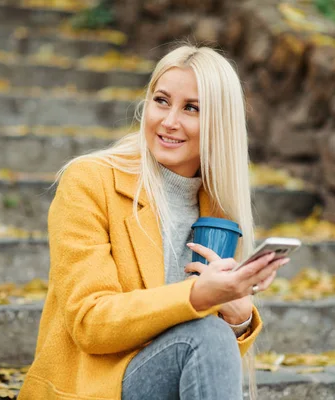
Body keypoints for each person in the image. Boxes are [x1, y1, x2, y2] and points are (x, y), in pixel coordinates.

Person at [19, 44, 288, 400]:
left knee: (214, 335)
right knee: (208, 335)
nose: (169, 121)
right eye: (161, 101)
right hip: (93, 389)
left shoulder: (217, 210)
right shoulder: (89, 181)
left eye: (191, 108)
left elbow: (207, 368)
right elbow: (89, 322)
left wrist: (236, 317)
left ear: (219, 124)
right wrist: (198, 295)